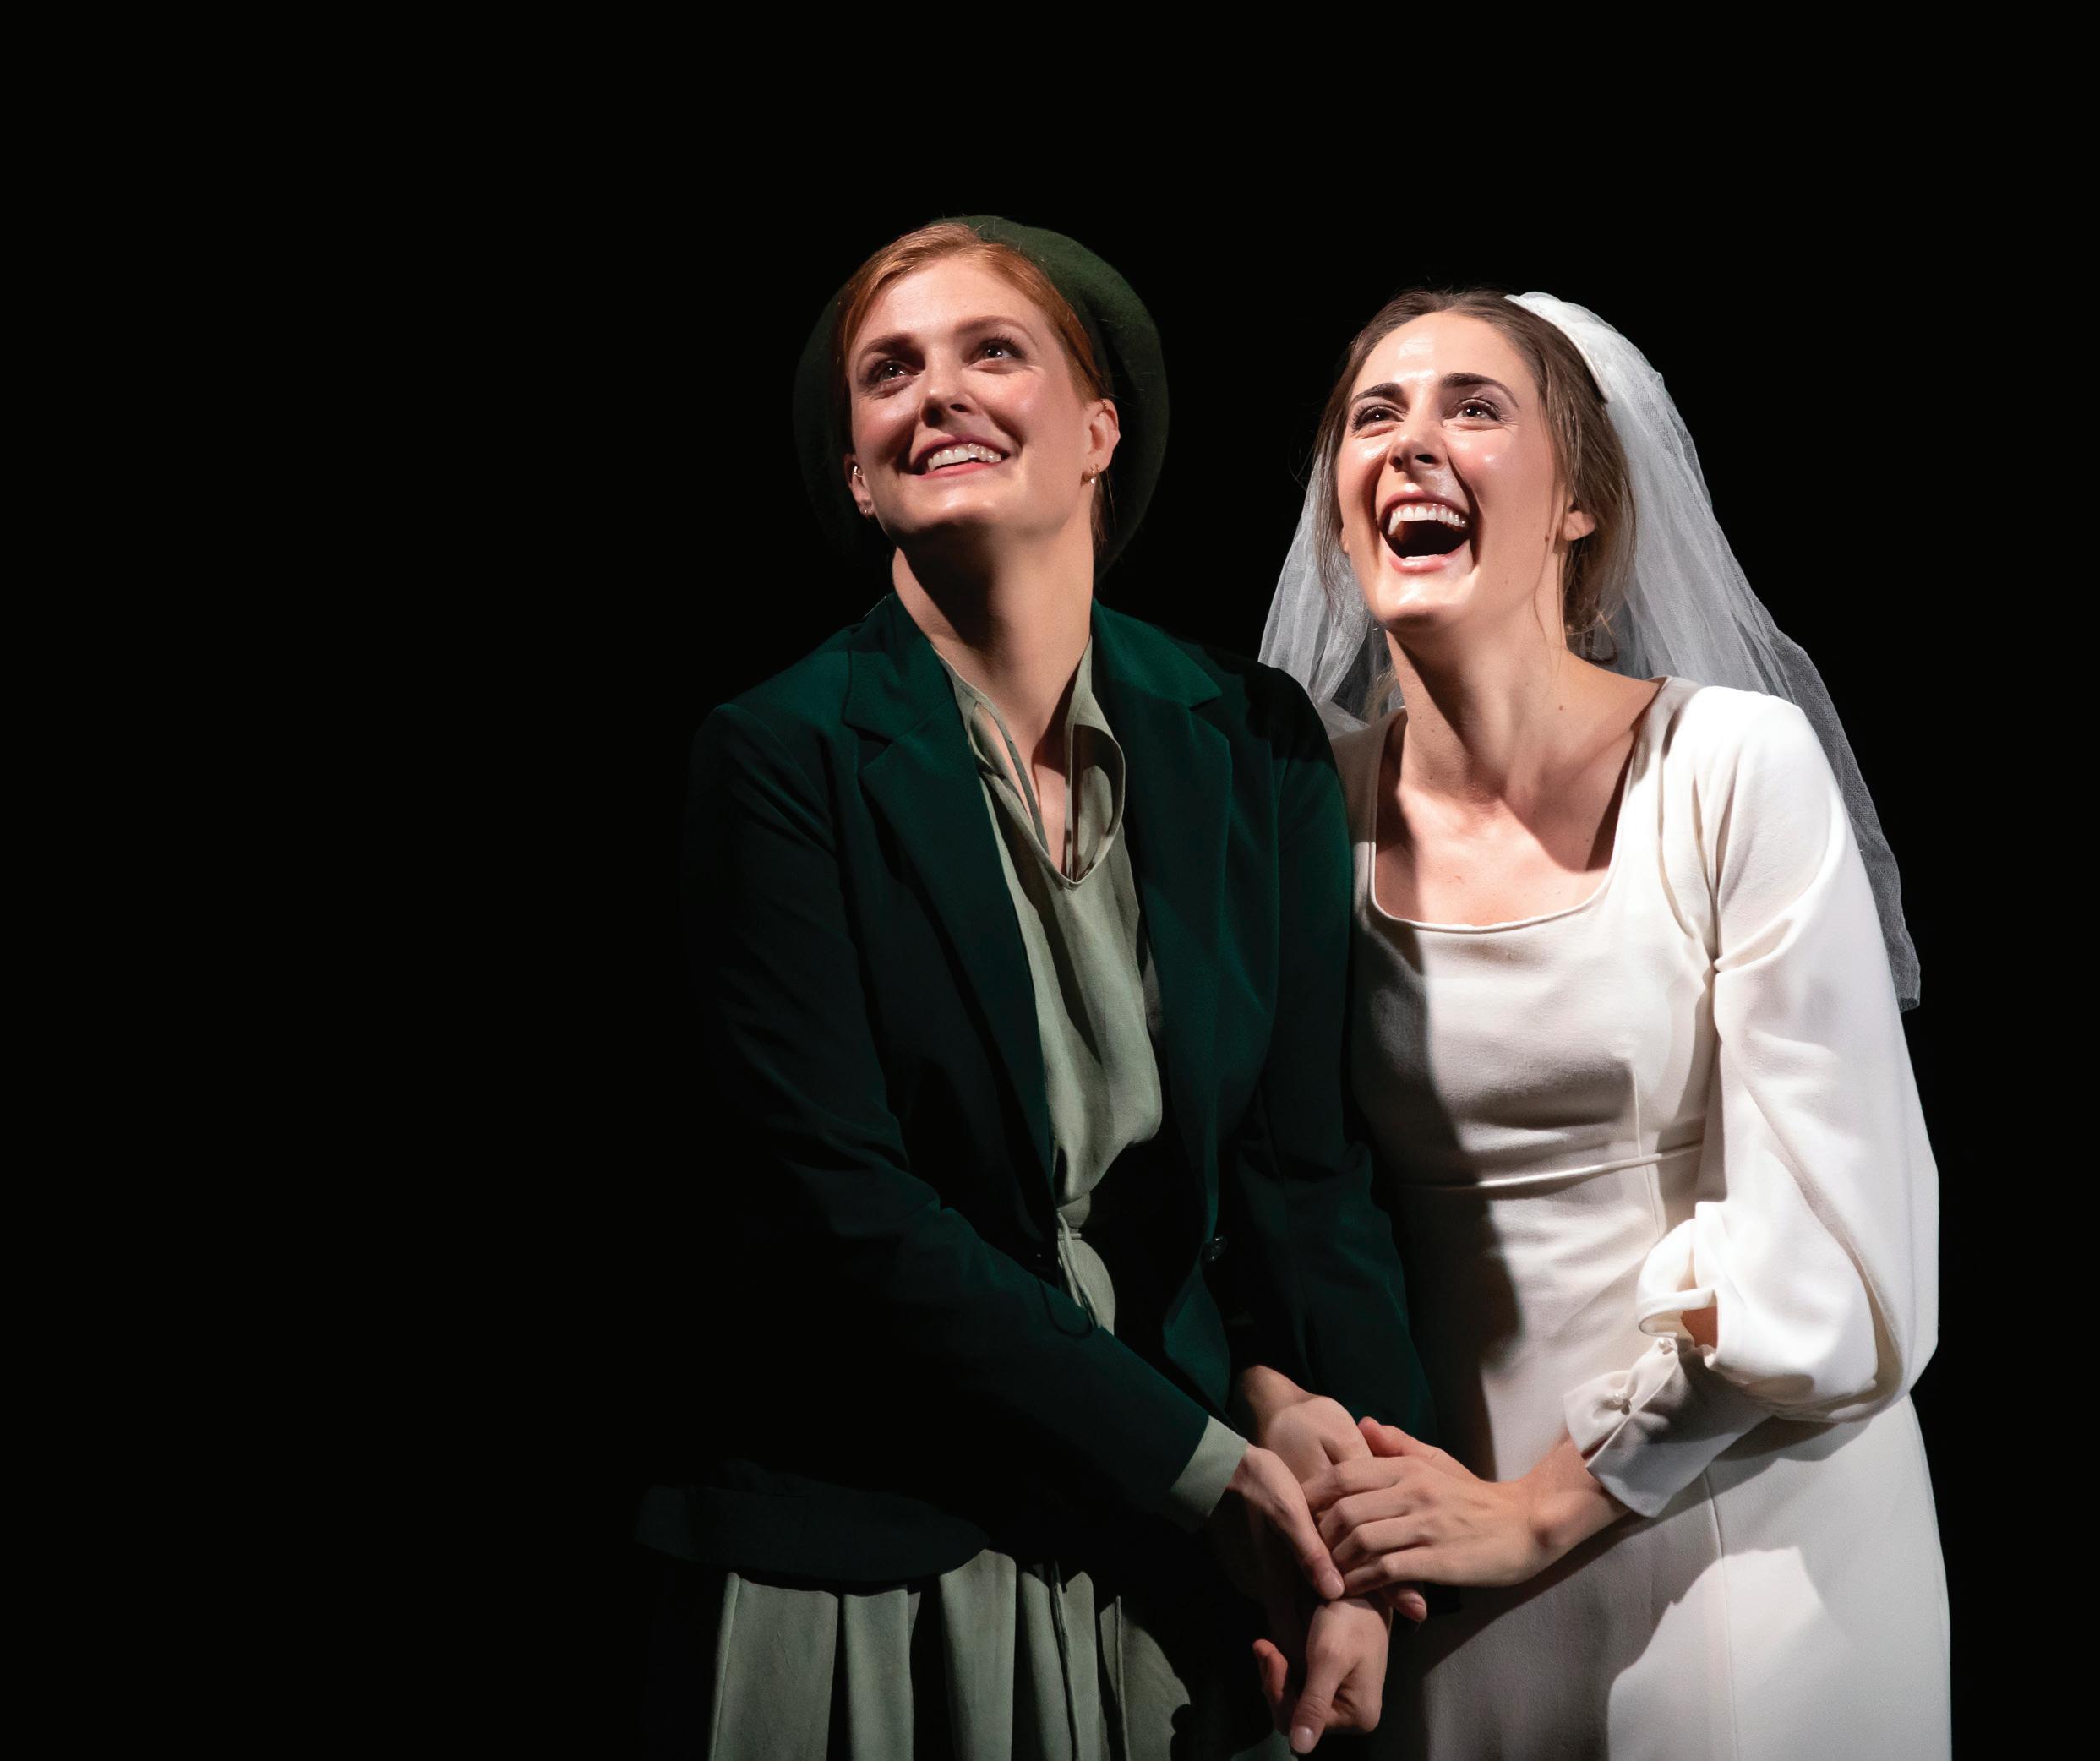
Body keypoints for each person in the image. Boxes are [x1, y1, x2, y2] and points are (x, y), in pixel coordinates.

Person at [635, 217, 1439, 1758]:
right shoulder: (778, 756)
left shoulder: (1249, 737)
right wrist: (1205, 1464)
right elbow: (843, 1209)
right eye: (890, 373)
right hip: (879, 1547)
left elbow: (1303, 1179)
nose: (936, 391)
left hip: (1167, 1563)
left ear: (1098, 432)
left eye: (990, 352)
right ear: (858, 475)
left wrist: (1365, 1550)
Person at [1256, 289, 1947, 1758]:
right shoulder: (1304, 806)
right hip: (1437, 1540)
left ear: (1576, 500)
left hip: (1739, 1519)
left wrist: (1537, 1510)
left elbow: (1831, 1228)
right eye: (1374, 414)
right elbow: (1260, 1185)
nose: (1411, 443)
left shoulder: (1728, 766)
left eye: (1472, 408)